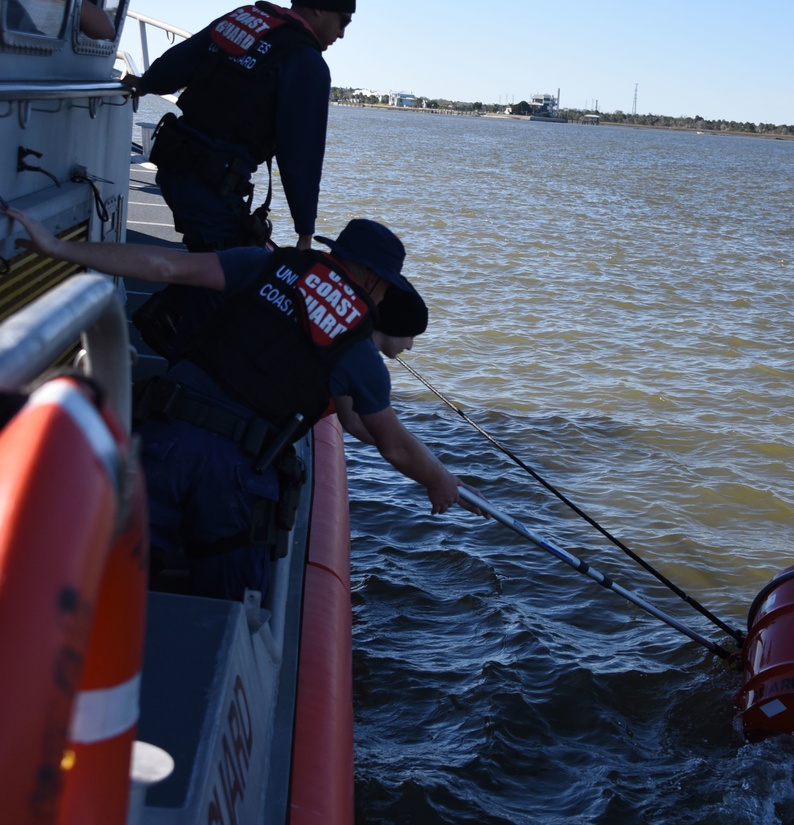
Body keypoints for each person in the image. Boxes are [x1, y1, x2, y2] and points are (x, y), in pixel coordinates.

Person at [5, 205, 478, 602]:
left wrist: (60, 247)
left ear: (336, 255)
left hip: (162, 437)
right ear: (375, 282)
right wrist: (438, 479)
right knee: (227, 609)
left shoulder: (263, 264)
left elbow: (166, 267)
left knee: (99, 575)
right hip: (234, 480)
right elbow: (390, 443)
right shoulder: (358, 354)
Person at [127, 0, 356, 251]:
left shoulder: (245, 19)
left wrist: (144, 84)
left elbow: (182, 60)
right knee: (228, 283)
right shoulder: (307, 63)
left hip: (173, 166)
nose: (342, 33)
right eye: (343, 21)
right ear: (319, 8)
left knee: (208, 264)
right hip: (212, 187)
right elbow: (301, 157)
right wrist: (304, 233)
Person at [335, 281, 428, 443]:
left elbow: (353, 421)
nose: (410, 346)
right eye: (410, 336)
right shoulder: (362, 363)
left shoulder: (349, 339)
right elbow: (353, 422)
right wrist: (413, 446)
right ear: (396, 326)